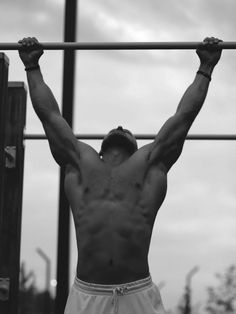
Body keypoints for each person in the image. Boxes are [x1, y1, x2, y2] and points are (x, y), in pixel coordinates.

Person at [18, 36, 222, 314]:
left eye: (126, 129)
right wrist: (31, 66)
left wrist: (206, 67)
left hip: (137, 294)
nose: (120, 126)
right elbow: (50, 116)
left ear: (137, 146)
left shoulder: (150, 165)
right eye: (117, 127)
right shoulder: (80, 163)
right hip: (87, 295)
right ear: (102, 146)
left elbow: (183, 117)